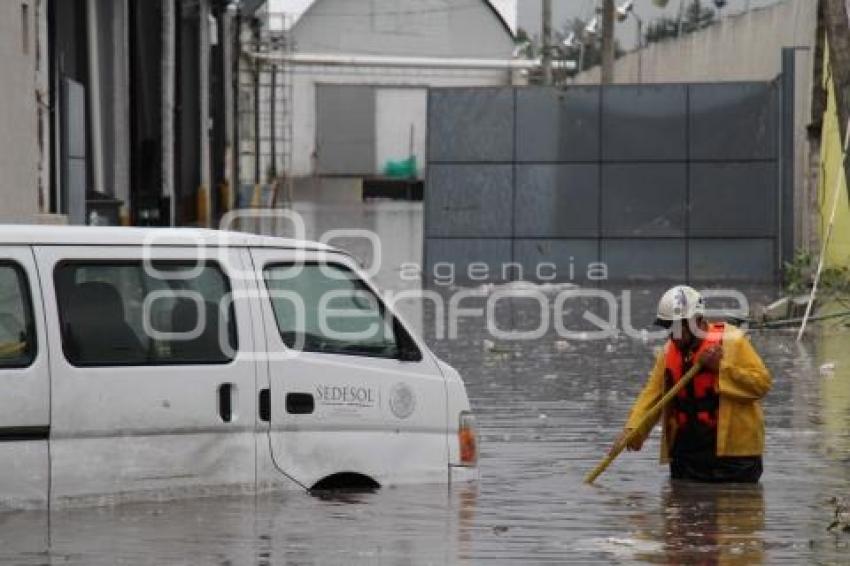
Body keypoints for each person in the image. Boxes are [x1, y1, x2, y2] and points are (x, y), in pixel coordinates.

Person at [612, 285, 772, 482]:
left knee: (734, 507)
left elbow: (761, 384)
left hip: (733, 460)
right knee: (680, 506)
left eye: (678, 327)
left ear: (696, 321)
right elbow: (652, 396)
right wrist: (632, 431)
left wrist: (721, 368)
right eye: (668, 327)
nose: (673, 335)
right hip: (687, 458)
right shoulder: (668, 353)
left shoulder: (732, 341)